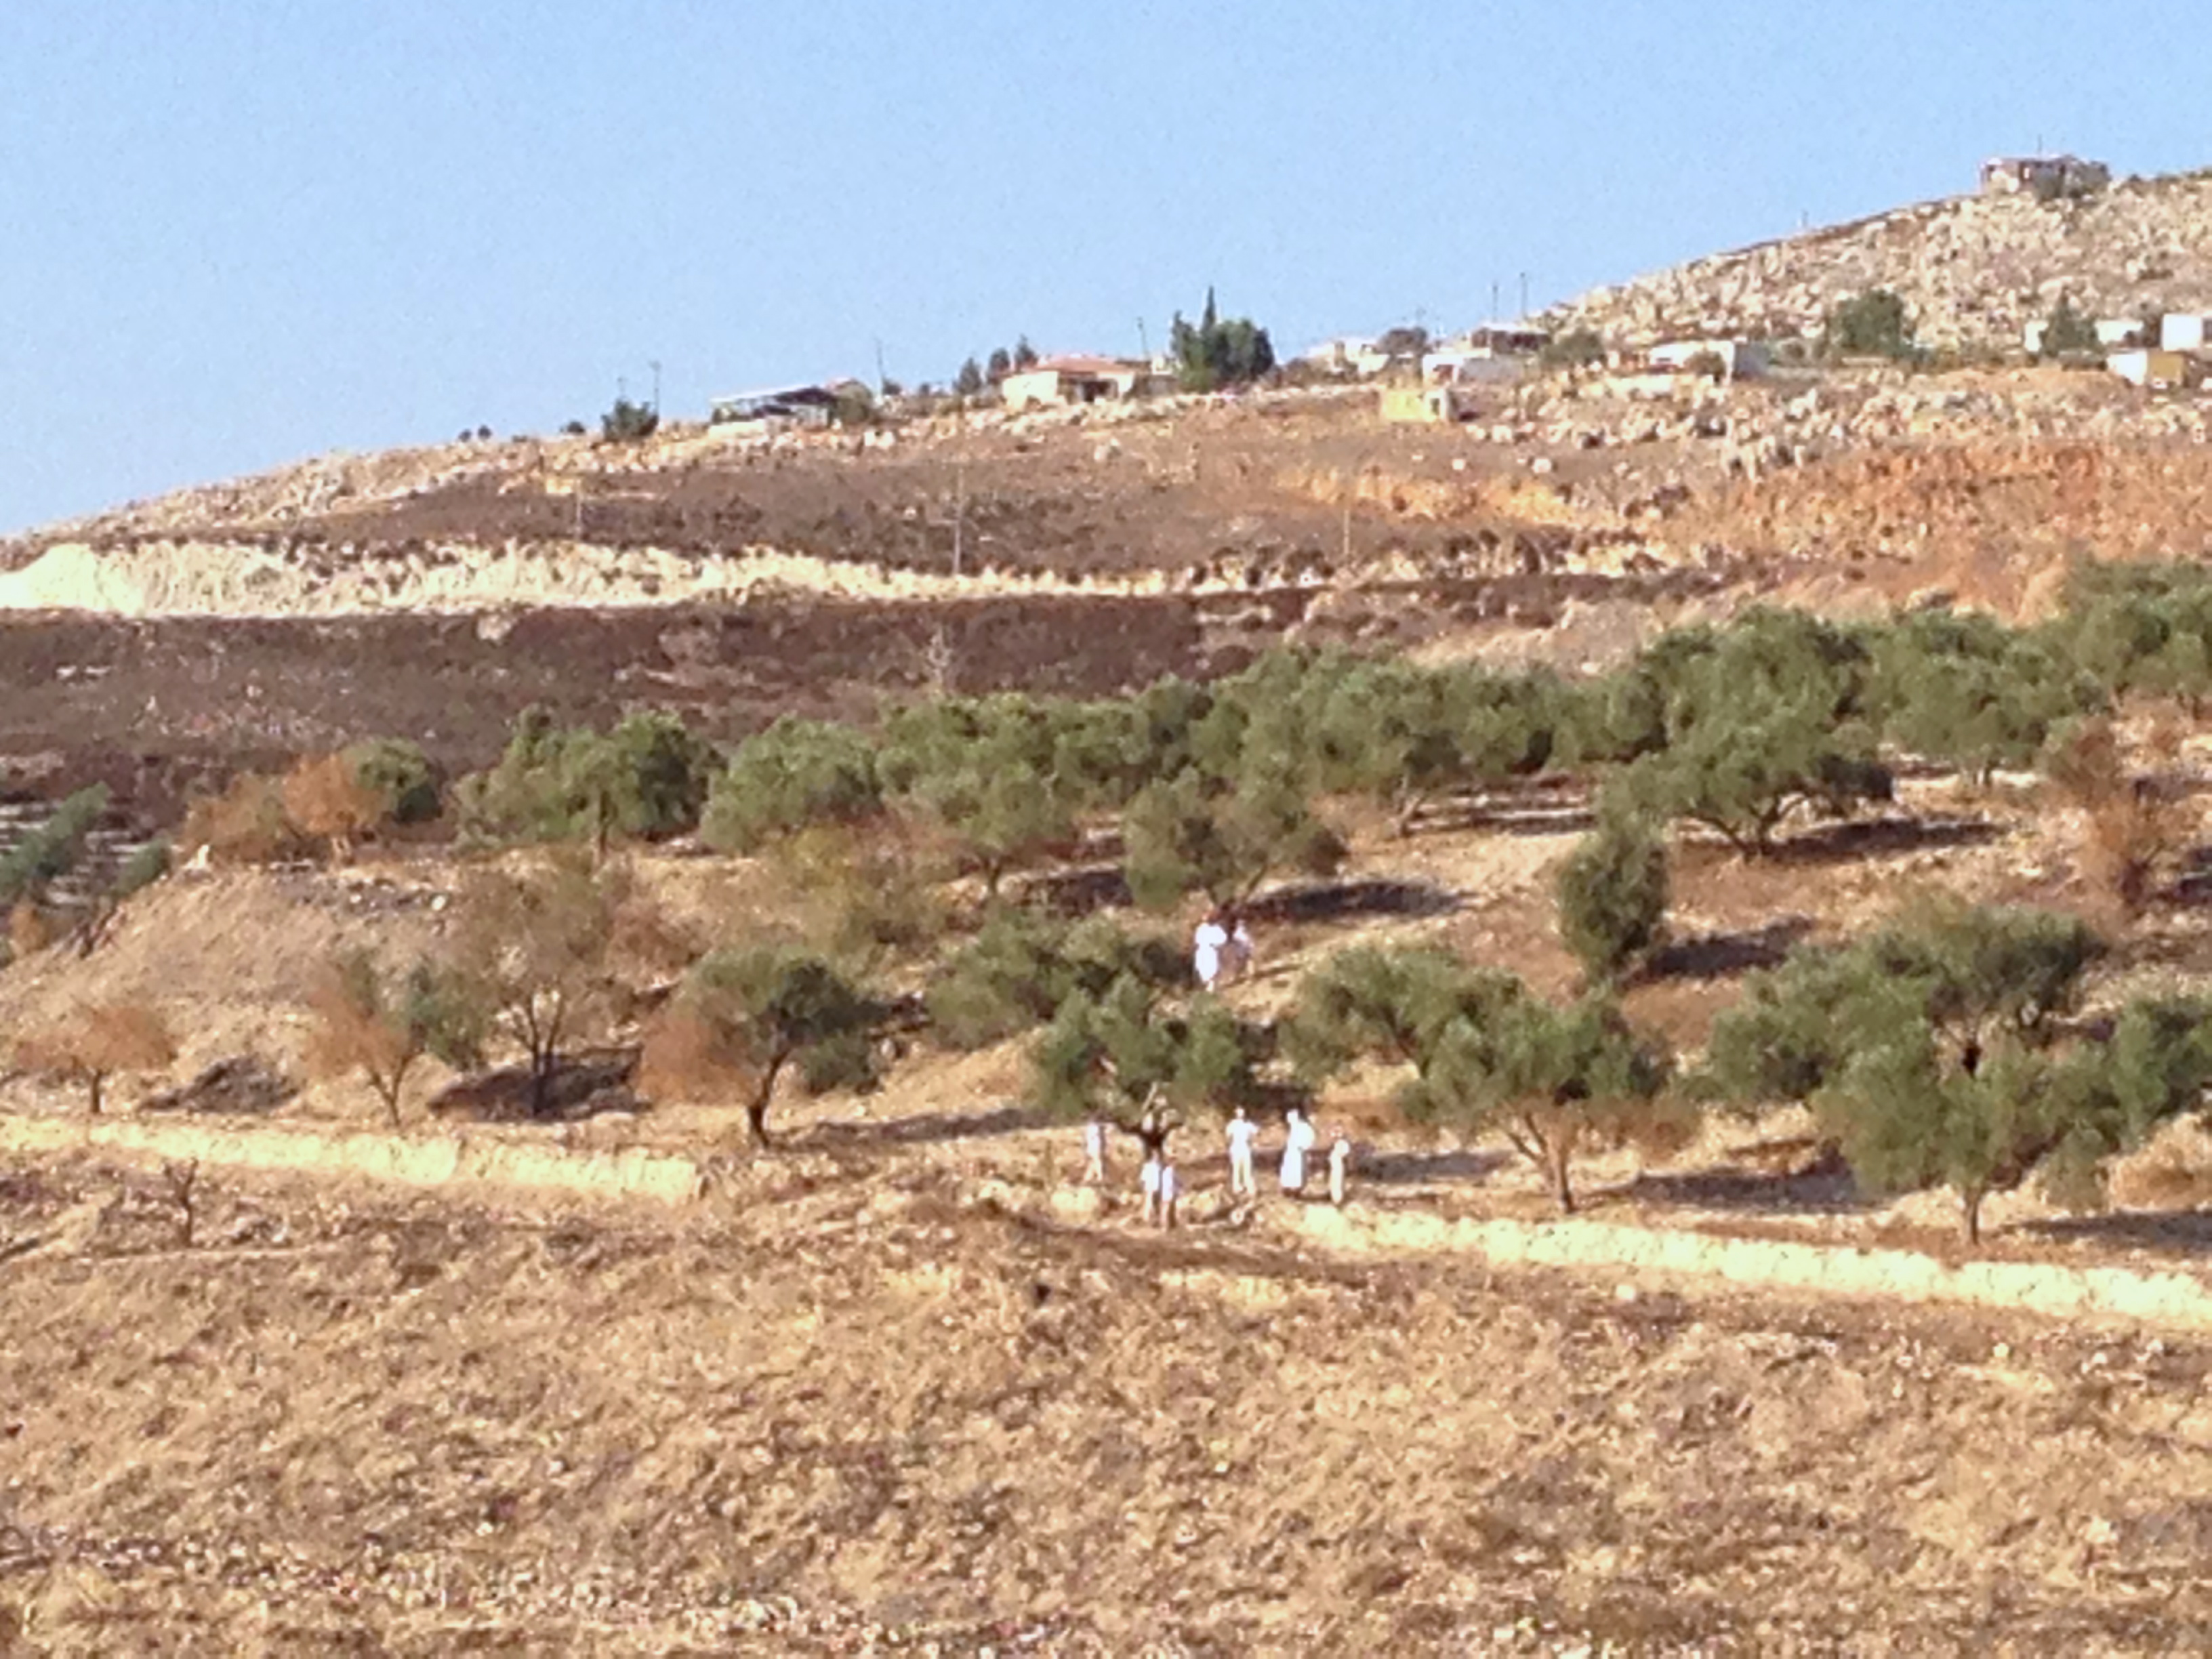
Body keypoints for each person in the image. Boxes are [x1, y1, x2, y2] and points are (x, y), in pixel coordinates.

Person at [1279, 1107, 1317, 1197]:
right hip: (1290, 1152)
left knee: (1297, 1171)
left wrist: (1303, 1146)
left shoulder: (1303, 1127)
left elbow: (1311, 1137)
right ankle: (1287, 1188)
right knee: (1288, 1170)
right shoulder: (1293, 1127)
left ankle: (1296, 1190)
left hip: (1298, 1153)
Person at [1191, 908, 1229, 991]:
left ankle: (1210, 985)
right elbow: (1197, 939)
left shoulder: (1215, 928)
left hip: (1209, 950)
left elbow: (1223, 939)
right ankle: (1206, 984)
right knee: (1203, 967)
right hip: (1203, 950)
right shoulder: (1201, 928)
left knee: (1211, 967)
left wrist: (1216, 944)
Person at [1225, 1106, 1259, 1199]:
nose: (1241, 1115)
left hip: (1244, 1148)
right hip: (1236, 1148)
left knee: (1247, 1168)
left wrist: (1252, 1142)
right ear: (1236, 1114)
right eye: (1239, 1113)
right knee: (1237, 1168)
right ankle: (1237, 1188)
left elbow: (1256, 1132)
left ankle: (1250, 1188)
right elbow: (1228, 1136)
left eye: (1242, 1113)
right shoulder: (1232, 1124)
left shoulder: (1247, 1124)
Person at [1328, 1132, 1351, 1206]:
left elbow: (1345, 1153)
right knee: (1334, 1181)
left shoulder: (1343, 1144)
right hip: (1334, 1166)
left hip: (1338, 1165)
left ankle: (1338, 1199)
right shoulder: (1336, 1145)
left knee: (1338, 1182)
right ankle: (1334, 1198)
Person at [1140, 1152, 1164, 1225]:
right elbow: (1144, 1176)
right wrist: (1144, 1184)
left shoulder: (1157, 1166)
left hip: (1154, 1186)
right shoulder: (1148, 1166)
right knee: (1148, 1201)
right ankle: (1146, 1217)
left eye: (1157, 1157)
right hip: (1150, 1185)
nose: (1156, 1158)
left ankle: (1150, 1217)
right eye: (1155, 1156)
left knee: (1152, 1201)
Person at [1083, 1118, 1108, 1186]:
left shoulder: (1090, 1128)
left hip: (1091, 1147)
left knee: (1092, 1162)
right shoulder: (1094, 1128)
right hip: (1094, 1146)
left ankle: (1087, 1178)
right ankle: (1100, 1177)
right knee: (1096, 1161)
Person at [1157, 1160, 1179, 1229]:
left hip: (1164, 1192)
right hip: (1168, 1192)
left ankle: (1163, 1223)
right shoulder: (1170, 1171)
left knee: (1164, 1209)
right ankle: (1165, 1225)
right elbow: (1175, 1181)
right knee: (1166, 1209)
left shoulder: (1164, 1172)